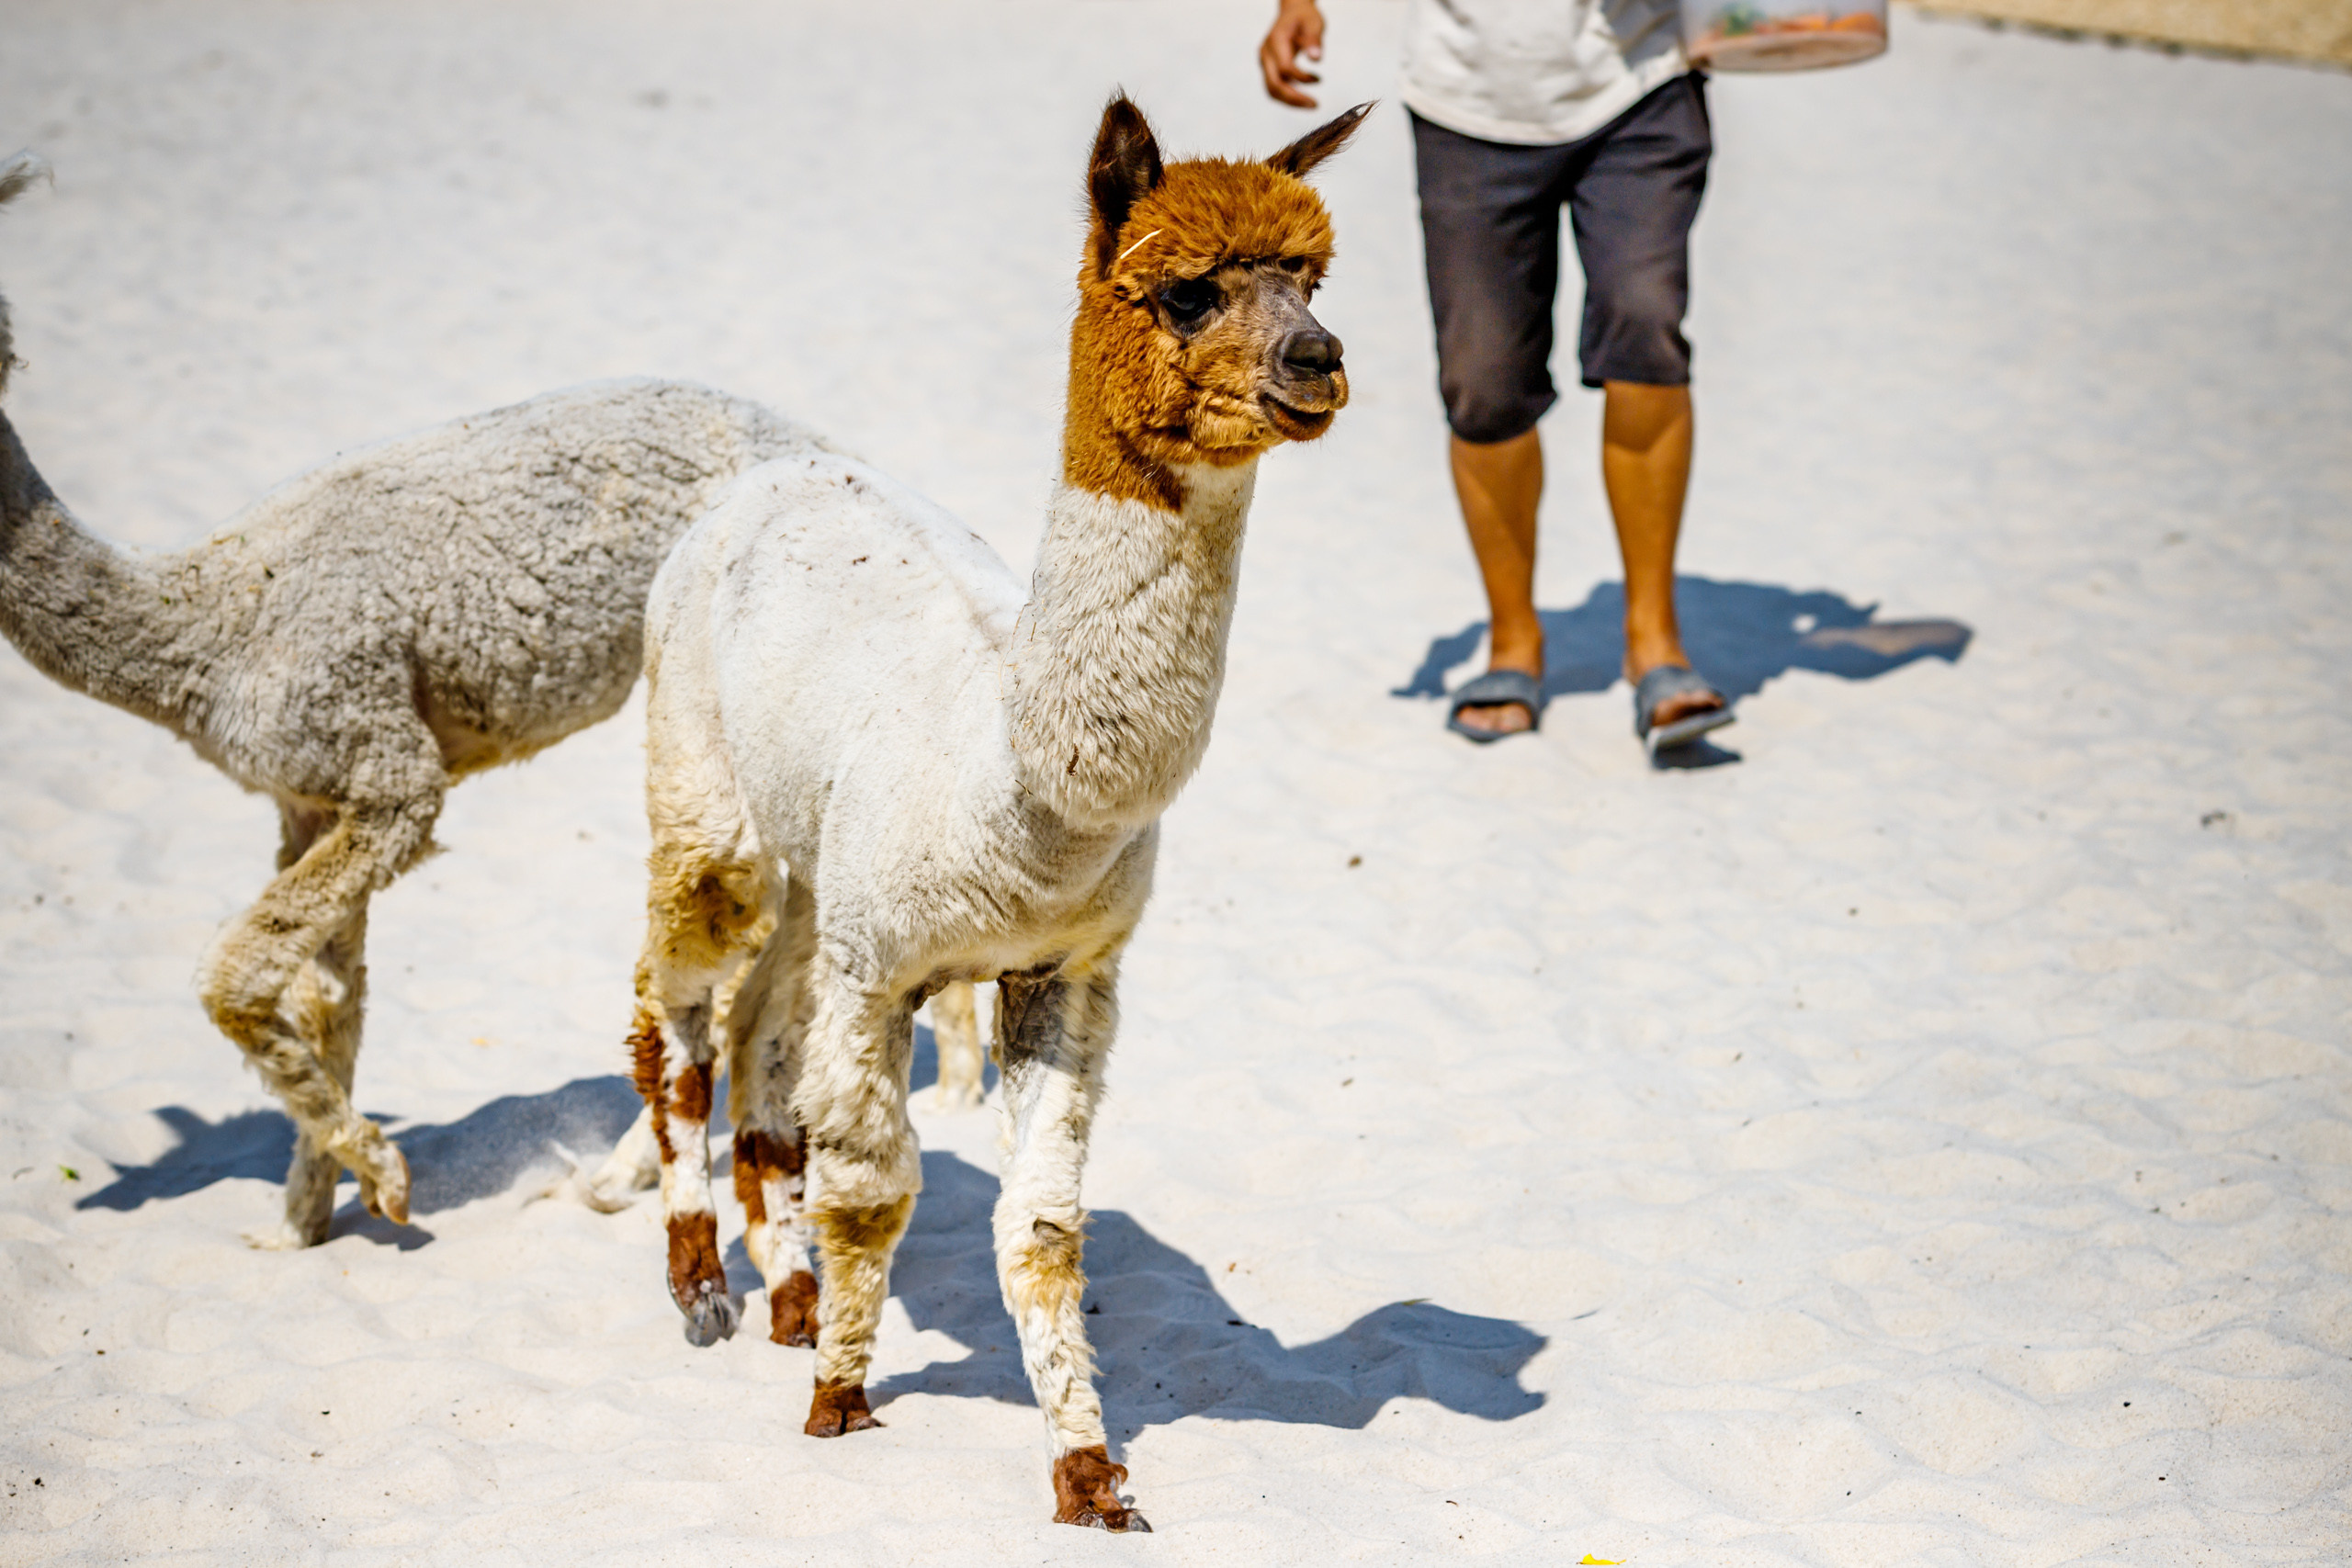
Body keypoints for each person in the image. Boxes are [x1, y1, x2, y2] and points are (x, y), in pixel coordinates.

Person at [1260, 0, 1735, 753]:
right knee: (1483, 383)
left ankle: (1656, 640)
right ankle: (1514, 639)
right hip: (1467, 103)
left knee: (1644, 324)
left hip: (1641, 80)